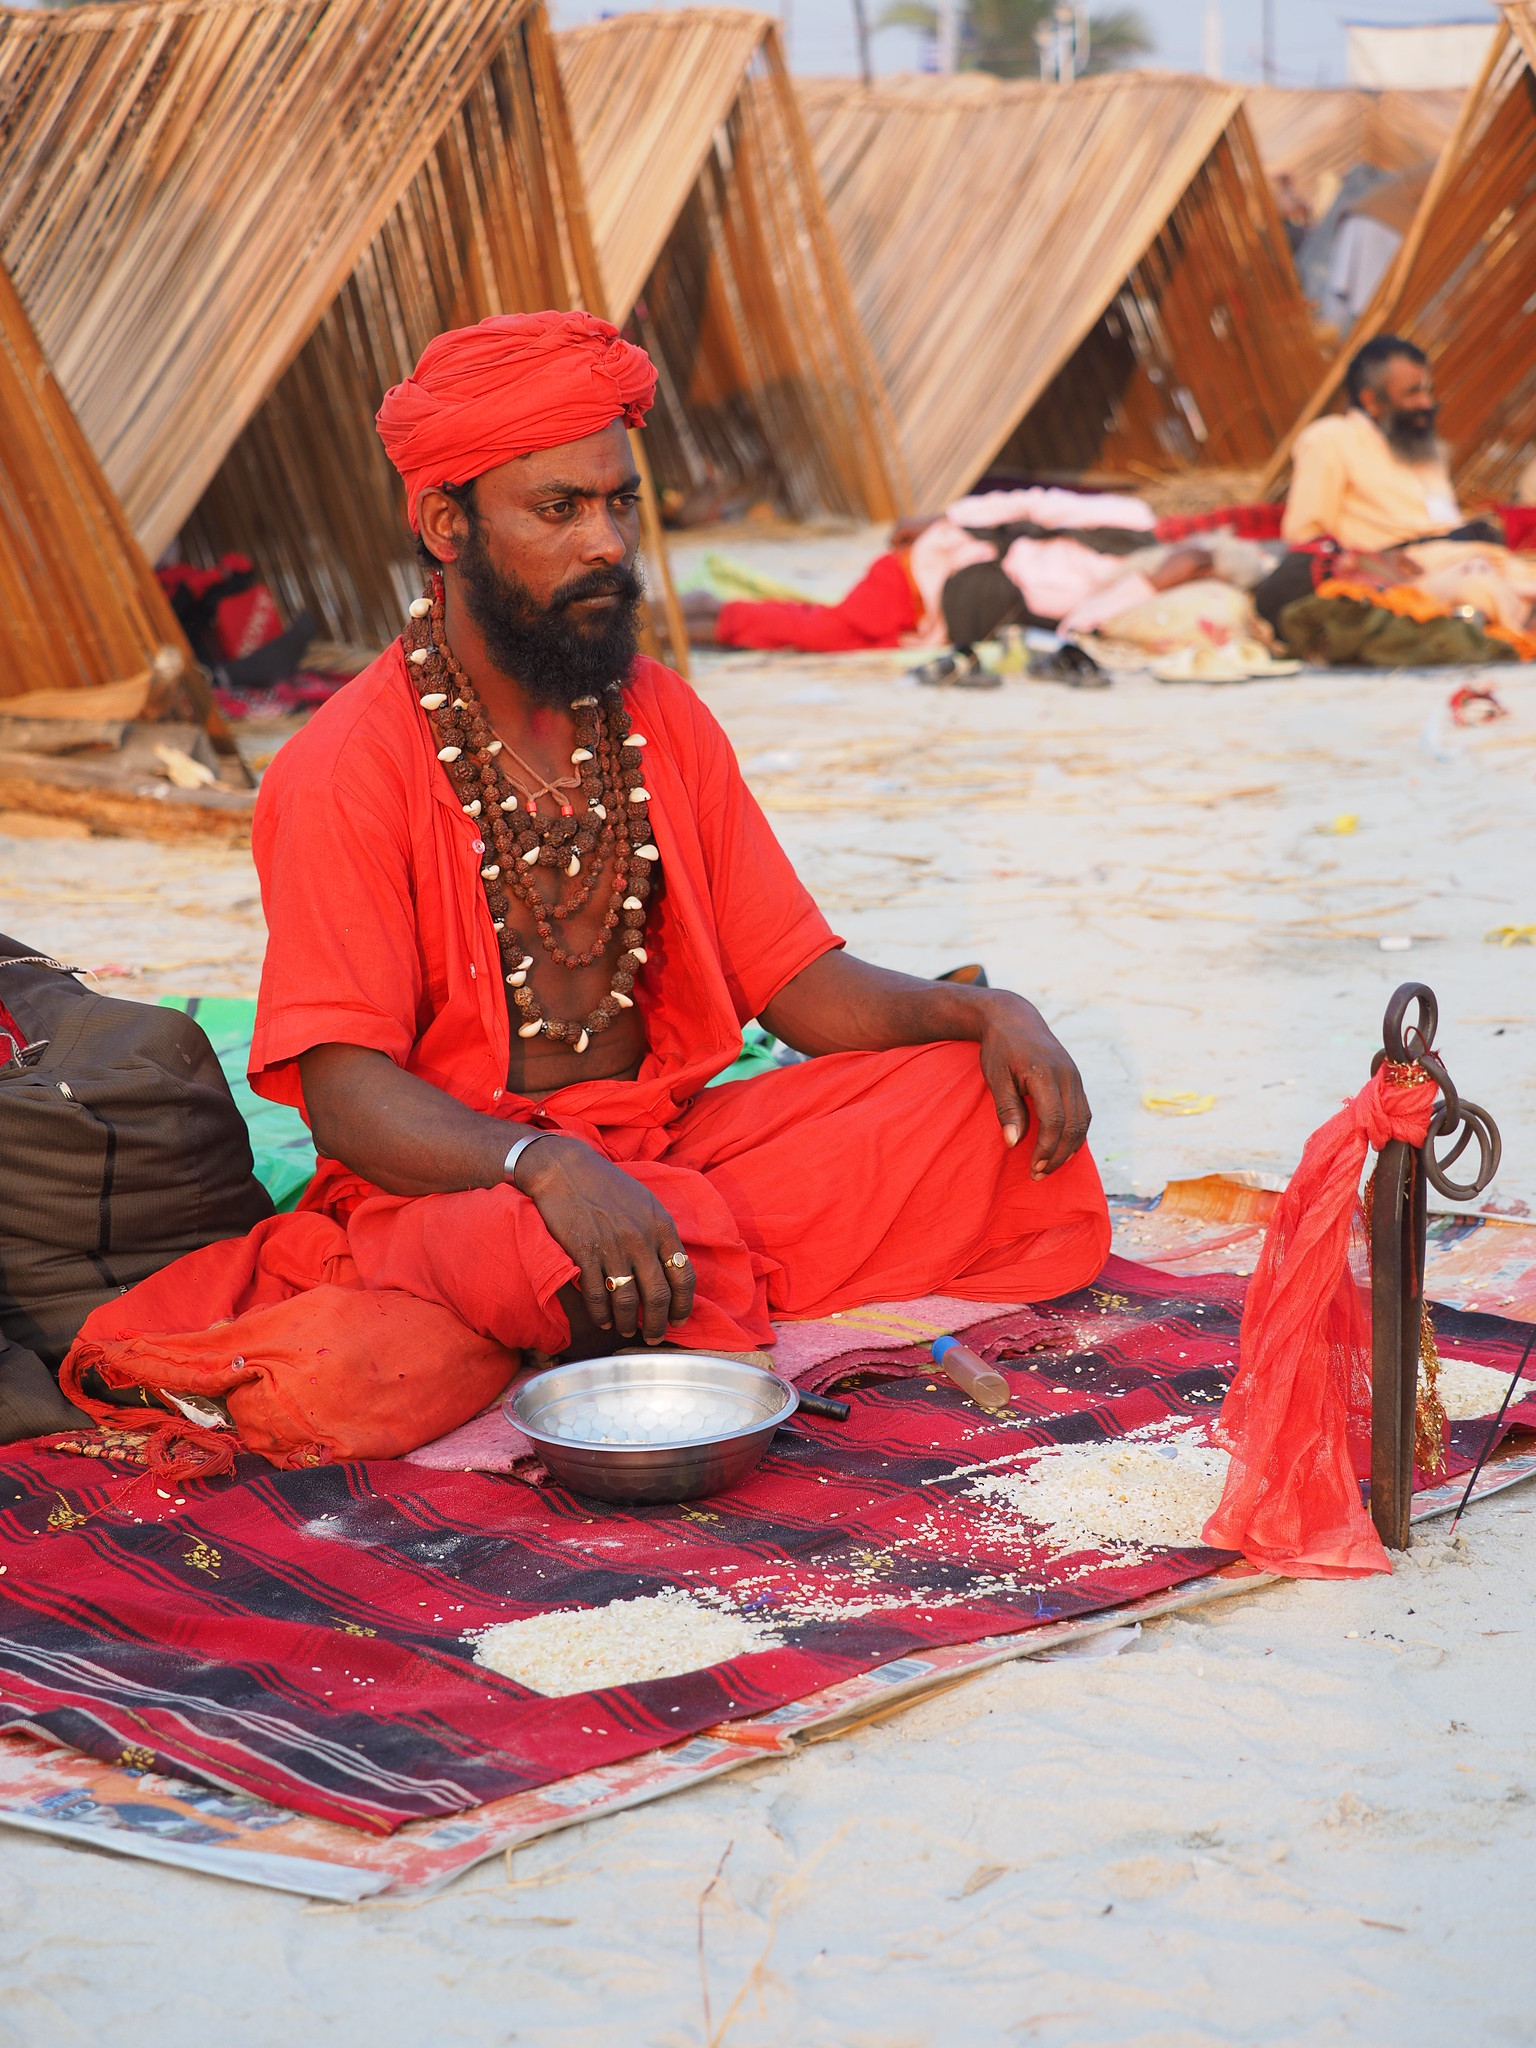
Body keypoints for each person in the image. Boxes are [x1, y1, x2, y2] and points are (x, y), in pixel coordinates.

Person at [63, 312, 1109, 1425]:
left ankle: (625, 1284)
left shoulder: (661, 714)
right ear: (444, 522)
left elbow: (795, 981)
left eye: (618, 502)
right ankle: (608, 1283)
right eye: (558, 508)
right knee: (437, 1318)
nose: (607, 542)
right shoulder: (344, 767)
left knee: (976, 1106)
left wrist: (983, 1013)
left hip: (675, 1149)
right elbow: (345, 1096)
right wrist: (541, 1167)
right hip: (467, 1187)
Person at [1282, 336, 1462, 552]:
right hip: (1394, 573)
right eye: (1413, 392)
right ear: (1371, 400)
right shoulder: (1331, 437)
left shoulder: (1421, 447)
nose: (1427, 402)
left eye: (1428, 391)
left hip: (1463, 559)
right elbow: (1305, 536)